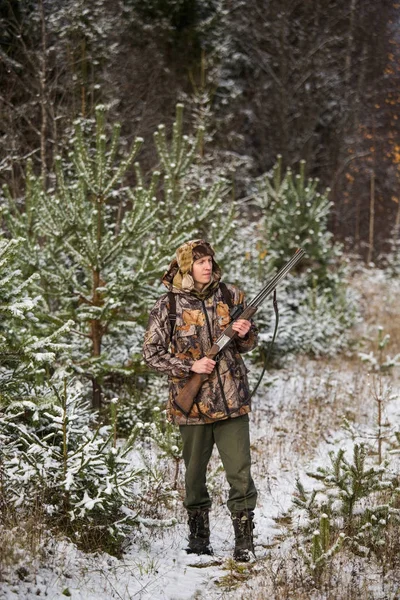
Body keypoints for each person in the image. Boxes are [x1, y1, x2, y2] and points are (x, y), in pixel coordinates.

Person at [142, 239, 258, 561]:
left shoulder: (230, 296)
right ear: (186, 267)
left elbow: (248, 345)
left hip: (232, 401)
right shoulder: (168, 305)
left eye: (209, 260)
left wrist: (245, 332)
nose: (207, 266)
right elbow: (151, 354)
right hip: (191, 406)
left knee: (240, 471)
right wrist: (188, 366)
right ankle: (198, 538)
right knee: (194, 473)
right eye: (199, 261)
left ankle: (244, 539)